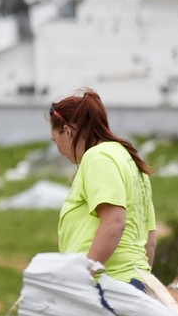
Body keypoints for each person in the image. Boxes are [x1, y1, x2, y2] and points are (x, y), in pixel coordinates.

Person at [47, 89, 158, 287]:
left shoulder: (97, 158)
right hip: (134, 282)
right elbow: (149, 241)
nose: (59, 151)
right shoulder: (131, 161)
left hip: (108, 285)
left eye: (56, 141)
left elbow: (114, 222)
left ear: (67, 130)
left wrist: (85, 276)